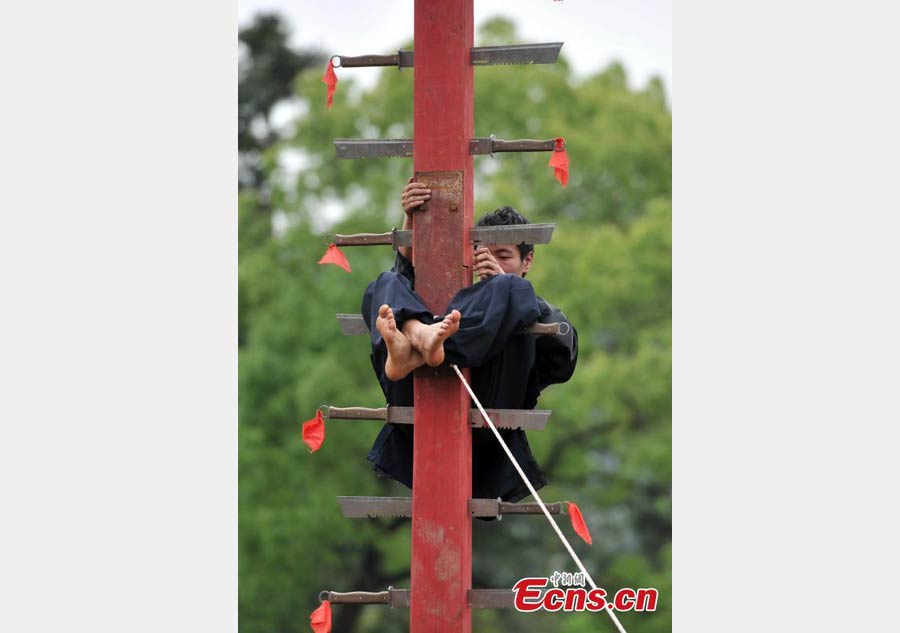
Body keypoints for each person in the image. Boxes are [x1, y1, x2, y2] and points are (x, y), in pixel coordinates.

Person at [361, 179, 578, 502]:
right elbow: (406, 278)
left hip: (484, 422)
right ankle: (421, 339)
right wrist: (411, 221)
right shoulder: (458, 299)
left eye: (504, 255)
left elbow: (565, 356)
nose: (490, 262)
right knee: (386, 281)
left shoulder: (524, 297)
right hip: (416, 407)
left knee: (514, 292)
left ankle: (426, 344)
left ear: (527, 261)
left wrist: (504, 286)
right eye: (483, 255)